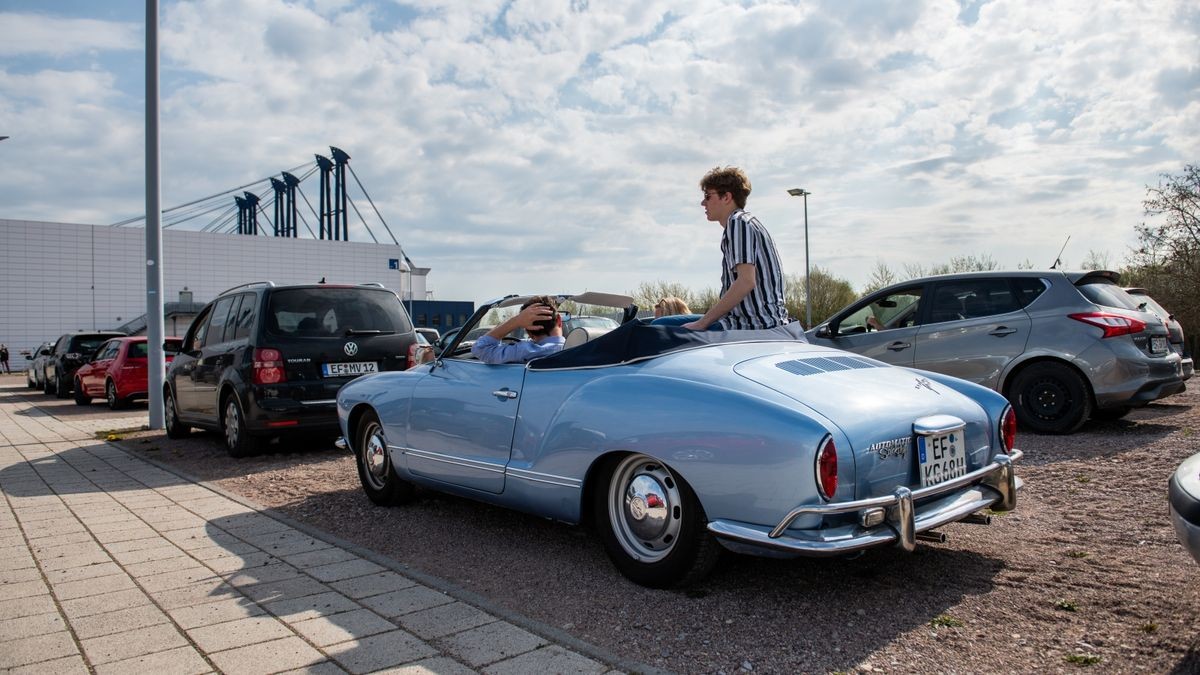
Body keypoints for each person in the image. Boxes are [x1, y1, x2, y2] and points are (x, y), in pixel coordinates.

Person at [683, 166, 791, 331]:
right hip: (751, 320)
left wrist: (702, 323)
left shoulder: (738, 222)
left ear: (726, 197)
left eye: (707, 196)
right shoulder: (746, 222)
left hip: (754, 325)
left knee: (658, 328)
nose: (703, 203)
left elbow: (746, 281)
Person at [471, 295, 566, 364]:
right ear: (559, 320)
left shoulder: (524, 351)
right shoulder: (577, 349)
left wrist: (516, 321)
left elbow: (480, 348)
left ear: (528, 330)